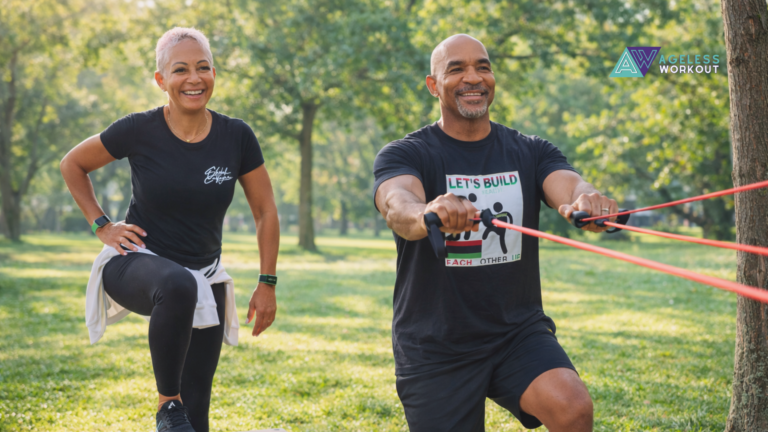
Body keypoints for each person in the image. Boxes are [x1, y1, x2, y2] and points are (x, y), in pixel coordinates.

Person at [373, 34, 619, 432]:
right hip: (435, 343)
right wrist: (428, 211)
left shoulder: (531, 150)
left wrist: (586, 197)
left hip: (515, 332)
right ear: (433, 85)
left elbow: (570, 186)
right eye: (456, 69)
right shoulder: (406, 153)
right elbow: (396, 204)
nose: (473, 77)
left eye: (482, 67)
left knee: (573, 409)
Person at [60, 27, 280, 432]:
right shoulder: (138, 129)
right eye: (180, 70)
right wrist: (102, 225)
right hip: (136, 264)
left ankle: (179, 412)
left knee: (197, 410)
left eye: (203, 68)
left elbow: (265, 211)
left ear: (215, 72)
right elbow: (72, 164)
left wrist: (267, 282)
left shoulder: (237, 136)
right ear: (161, 80)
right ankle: (166, 403)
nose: (194, 79)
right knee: (178, 286)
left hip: (205, 272)